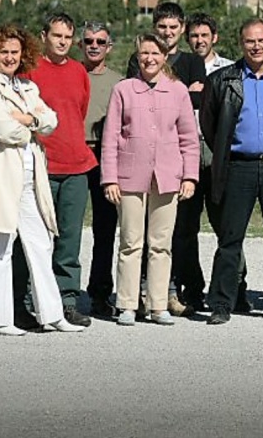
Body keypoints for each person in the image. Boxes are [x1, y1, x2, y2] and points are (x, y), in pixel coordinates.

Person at [0, 25, 84, 336]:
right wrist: (30, 125)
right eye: (3, 51)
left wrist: (28, 119)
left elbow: (51, 120)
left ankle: (52, 314)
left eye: (14, 52)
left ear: (23, 54)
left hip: (32, 174)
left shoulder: (27, 88)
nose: (9, 57)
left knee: (41, 242)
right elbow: (2, 129)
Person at [200, 19, 263, 325]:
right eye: (249, 42)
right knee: (230, 239)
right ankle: (221, 302)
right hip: (238, 167)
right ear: (240, 43)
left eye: (261, 41)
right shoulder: (222, 80)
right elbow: (210, 125)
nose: (256, 47)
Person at [101, 34, 199, 327]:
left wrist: (190, 176)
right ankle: (128, 304)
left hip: (168, 176)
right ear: (137, 56)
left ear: (164, 56)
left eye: (155, 53)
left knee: (161, 244)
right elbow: (110, 138)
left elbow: (189, 138)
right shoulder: (123, 90)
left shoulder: (178, 91)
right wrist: (110, 179)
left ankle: (158, 304)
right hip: (130, 175)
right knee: (131, 242)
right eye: (144, 53)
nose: (149, 58)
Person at [22, 13, 95, 328]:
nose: (63, 42)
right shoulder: (30, 72)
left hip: (77, 166)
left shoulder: (79, 71)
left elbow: (78, 111)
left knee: (69, 240)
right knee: (36, 239)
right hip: (43, 167)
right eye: (57, 36)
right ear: (44, 36)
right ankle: (29, 302)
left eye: (68, 37)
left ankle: (66, 301)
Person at [177, 12, 241, 313]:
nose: (199, 41)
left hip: (218, 151)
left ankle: (234, 287)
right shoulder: (176, 69)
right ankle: (193, 288)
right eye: (194, 36)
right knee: (185, 227)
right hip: (185, 153)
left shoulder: (230, 69)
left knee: (227, 225)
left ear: (214, 36)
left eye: (204, 35)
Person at [78, 21, 124, 318]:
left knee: (105, 231)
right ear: (79, 45)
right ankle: (59, 291)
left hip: (106, 157)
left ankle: (99, 293)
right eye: (89, 41)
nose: (94, 46)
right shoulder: (70, 74)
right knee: (62, 229)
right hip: (73, 154)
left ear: (109, 47)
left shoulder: (120, 82)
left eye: (100, 41)